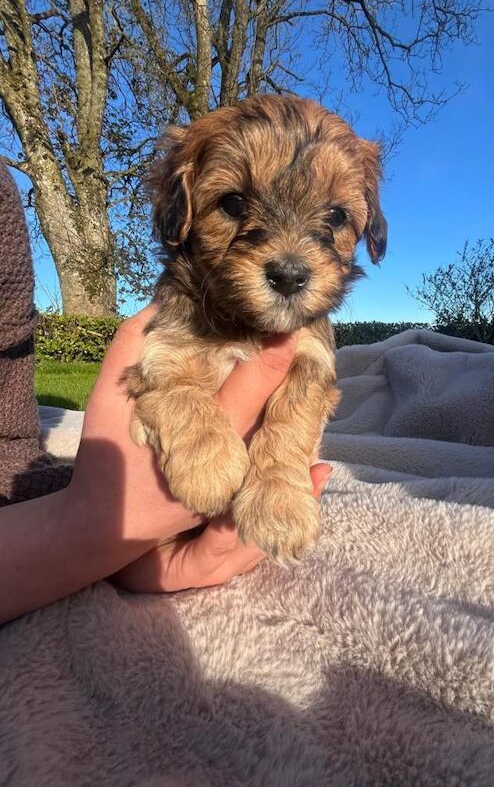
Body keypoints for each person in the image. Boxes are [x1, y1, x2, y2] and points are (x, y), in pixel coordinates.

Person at [0, 162, 331, 625]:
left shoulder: (310, 334)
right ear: (181, 210)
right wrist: (95, 531)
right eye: (233, 204)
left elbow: (313, 385)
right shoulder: (175, 314)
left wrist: (278, 466)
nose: (291, 260)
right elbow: (160, 375)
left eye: (334, 217)